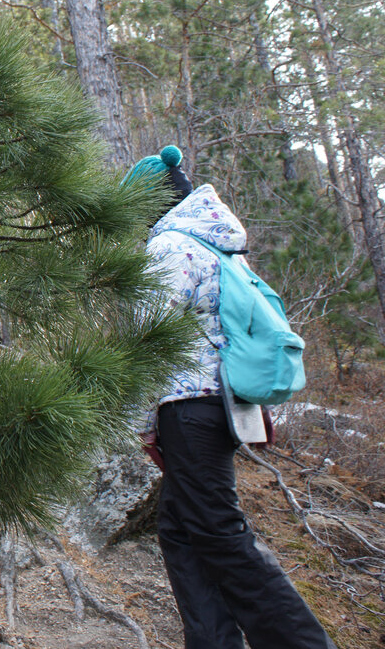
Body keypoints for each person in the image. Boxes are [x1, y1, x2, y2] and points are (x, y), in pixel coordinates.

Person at [126, 146, 335, 649]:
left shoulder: (170, 247)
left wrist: (142, 422)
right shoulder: (217, 246)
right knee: (181, 531)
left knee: (220, 532)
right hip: (221, 405)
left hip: (188, 407)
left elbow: (146, 341)